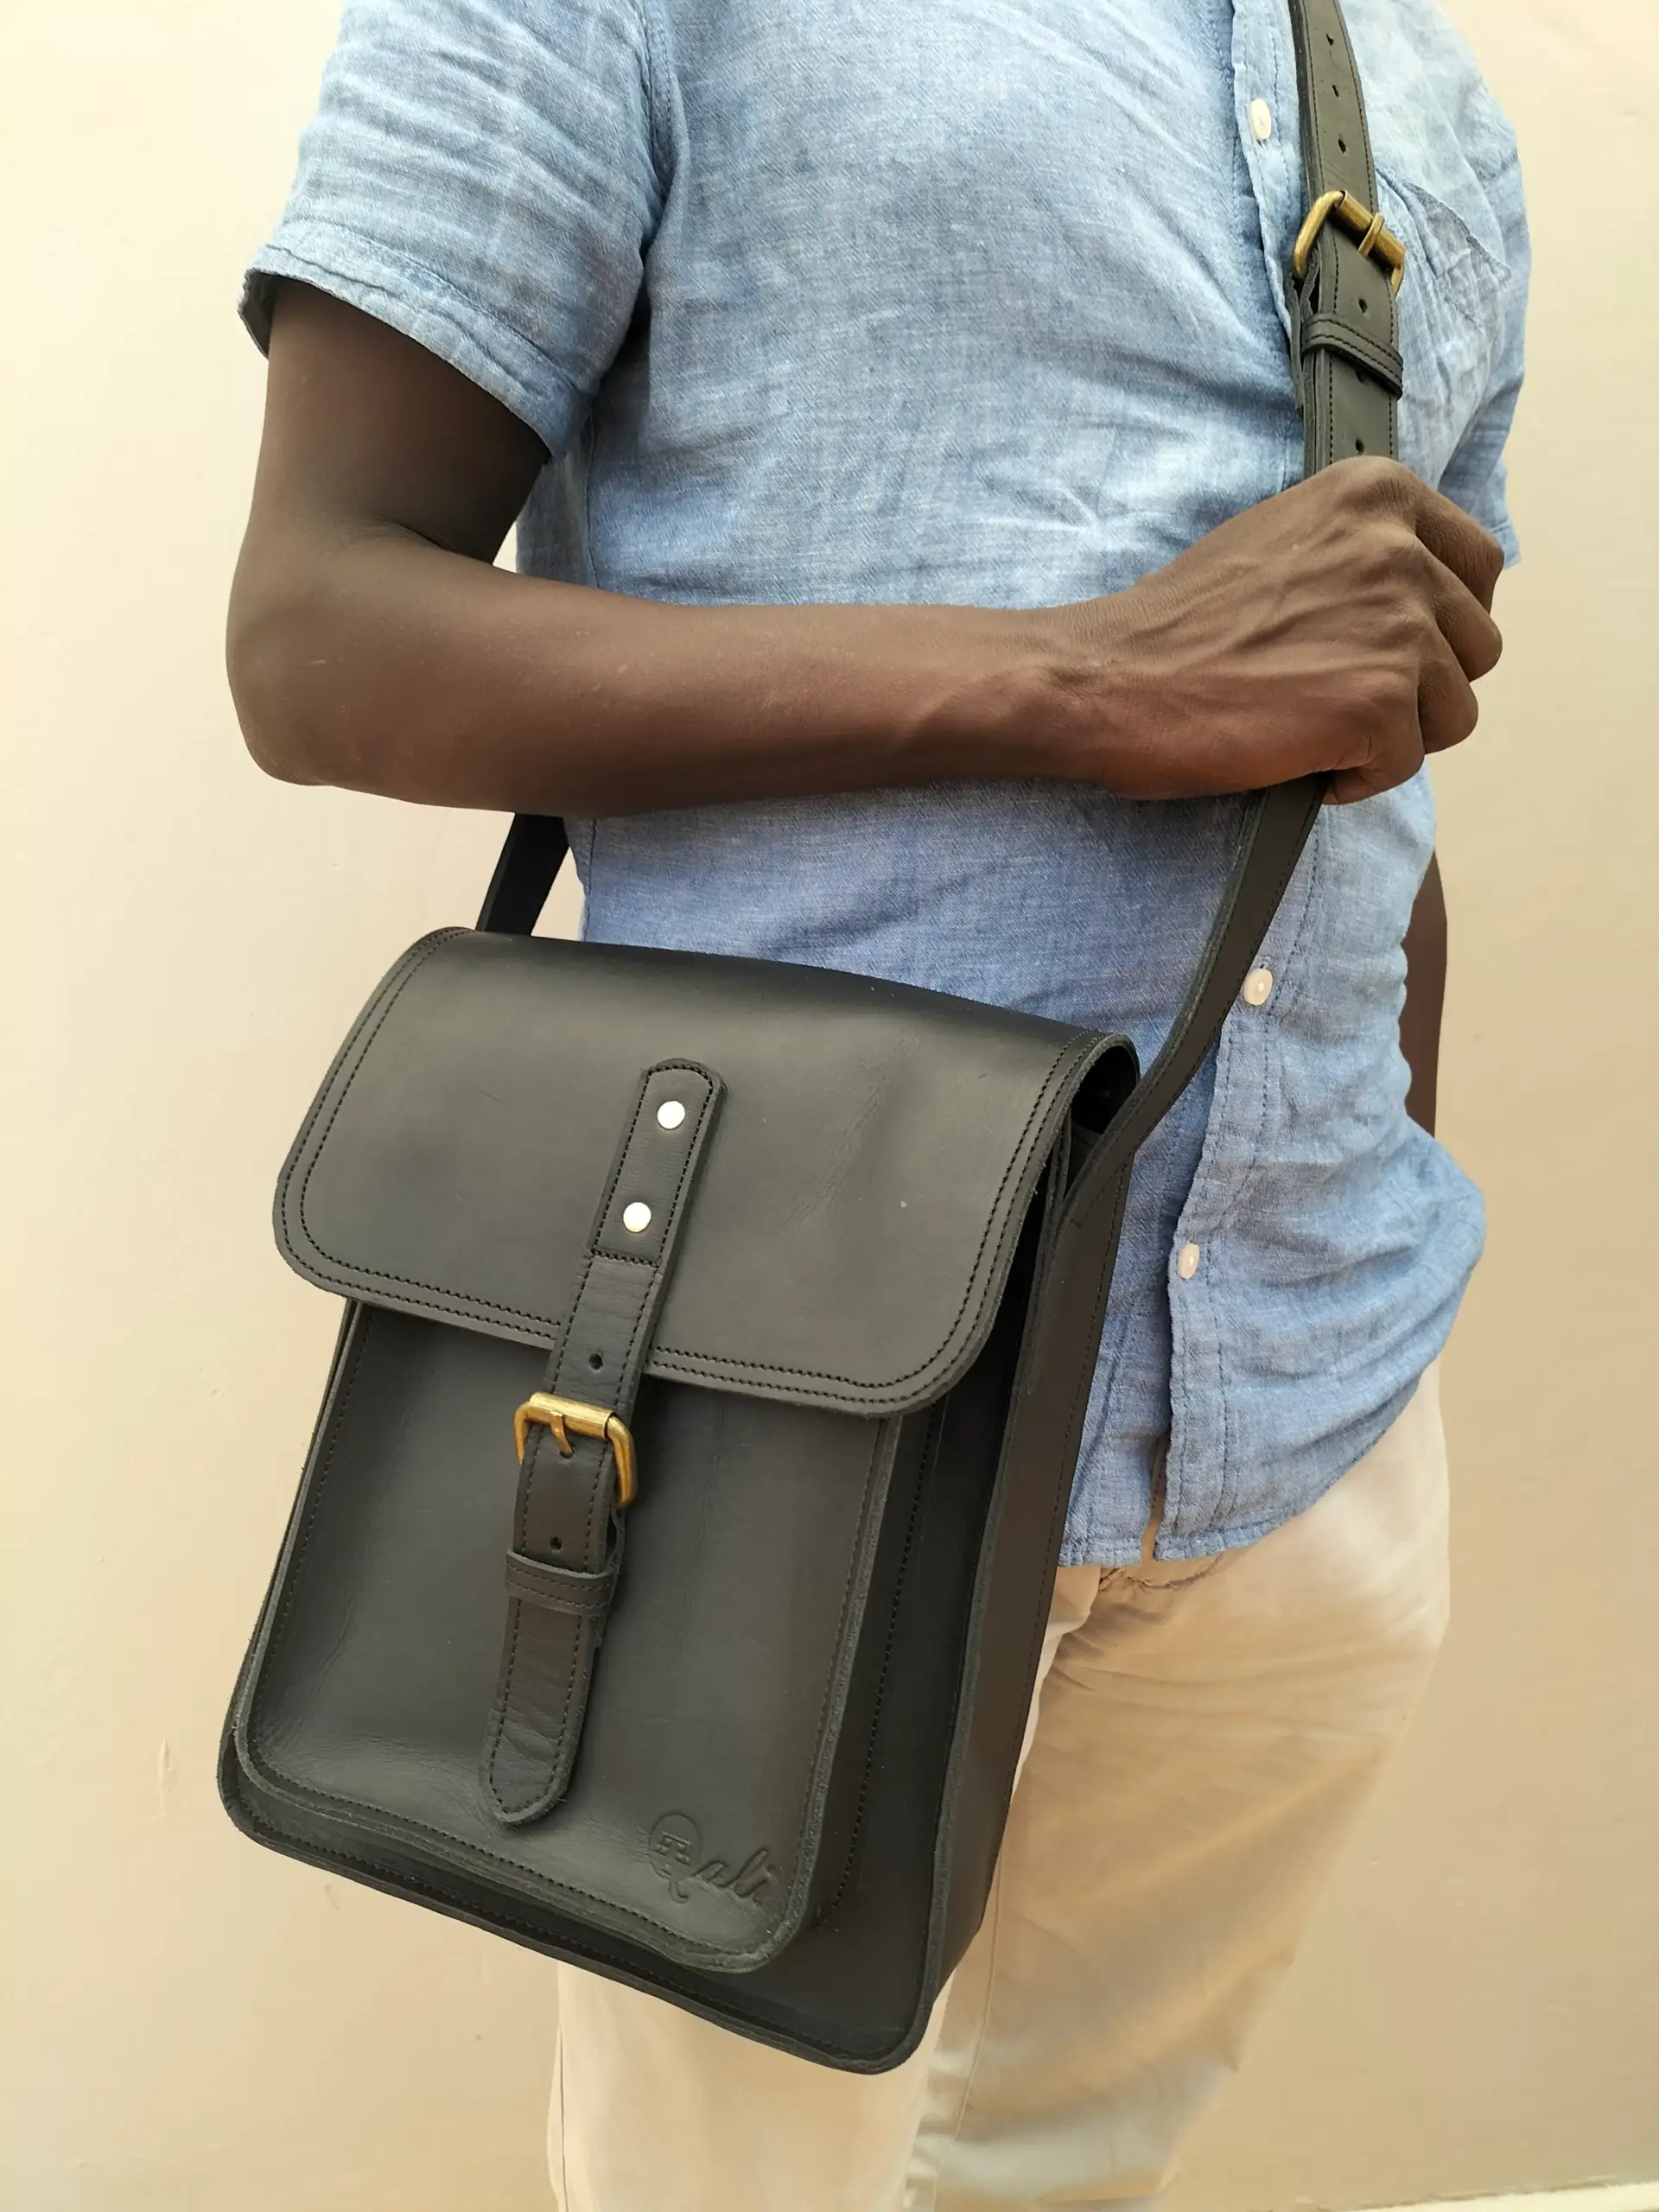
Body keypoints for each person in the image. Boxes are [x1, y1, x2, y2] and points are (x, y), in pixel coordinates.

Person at [226, 0, 1528, 2202]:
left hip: (1317, 1398)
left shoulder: (1425, 98)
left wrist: (1385, 1160)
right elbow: (316, 632)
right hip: (772, 1400)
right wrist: (1087, 678)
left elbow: (1369, 698)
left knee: (1075, 2167)